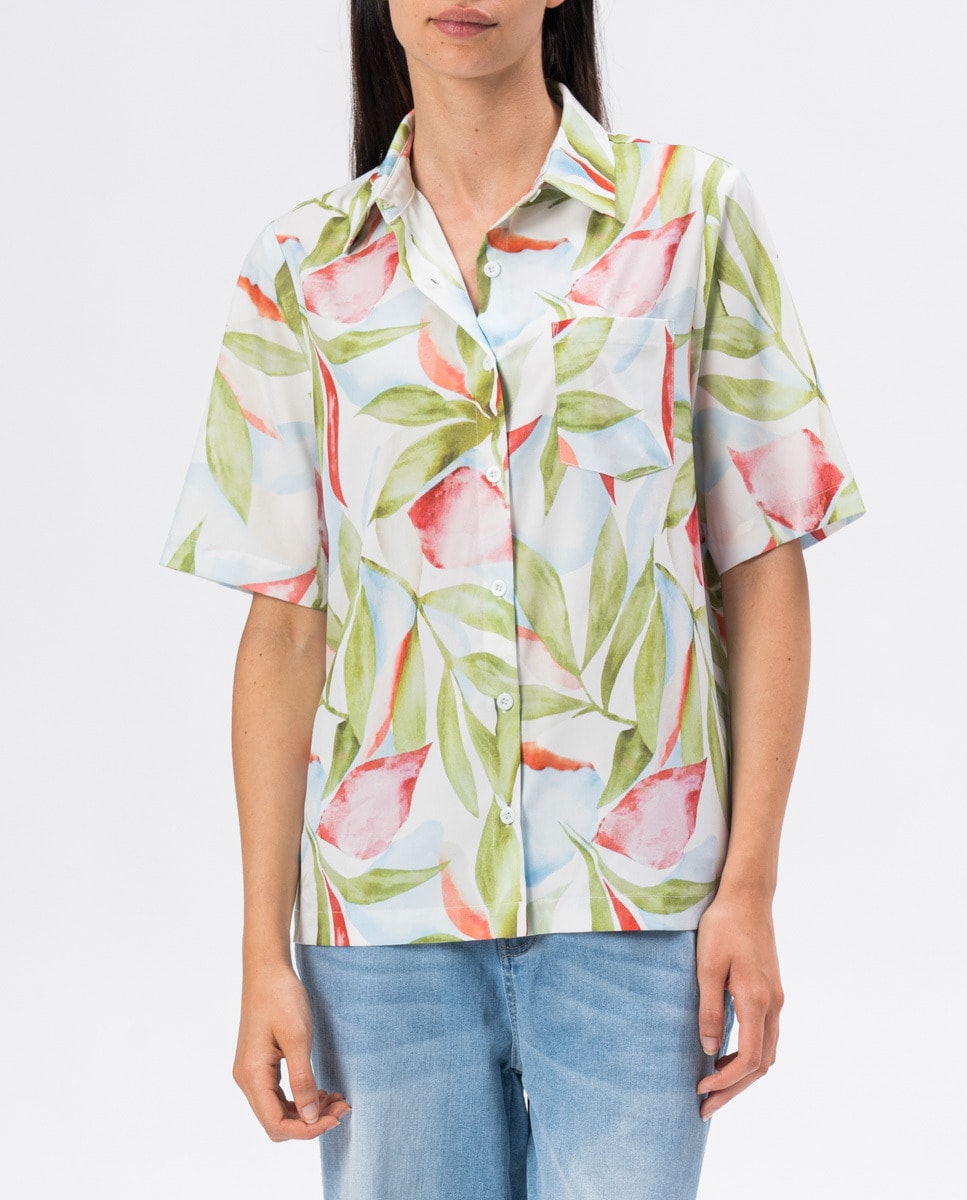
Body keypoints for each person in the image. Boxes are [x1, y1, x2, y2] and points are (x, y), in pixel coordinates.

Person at [163, 2, 864, 1196]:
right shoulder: (301, 267)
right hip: (382, 928)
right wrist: (260, 952)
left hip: (638, 908)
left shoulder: (689, 216)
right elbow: (283, 627)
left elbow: (762, 569)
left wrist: (747, 888)